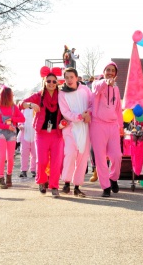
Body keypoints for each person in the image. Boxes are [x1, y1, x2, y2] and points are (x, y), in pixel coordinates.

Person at [22, 67, 64, 197]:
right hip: (42, 134)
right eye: (48, 81)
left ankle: (54, 186)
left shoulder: (61, 96)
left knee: (56, 161)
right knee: (42, 161)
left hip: (57, 134)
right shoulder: (39, 96)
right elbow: (21, 103)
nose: (51, 83)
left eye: (54, 81)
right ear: (44, 82)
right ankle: (41, 181)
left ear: (57, 83)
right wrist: (31, 105)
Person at [90, 62, 123, 197]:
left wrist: (120, 126)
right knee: (100, 158)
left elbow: (118, 108)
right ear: (104, 72)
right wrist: (106, 83)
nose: (110, 72)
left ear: (115, 73)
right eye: (107, 70)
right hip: (98, 124)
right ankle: (105, 186)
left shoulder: (116, 88)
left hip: (113, 125)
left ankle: (113, 178)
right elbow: (97, 88)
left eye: (112, 70)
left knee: (117, 156)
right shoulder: (97, 84)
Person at [58, 67, 92, 197]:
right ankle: (66, 183)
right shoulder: (62, 93)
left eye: (71, 77)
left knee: (82, 157)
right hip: (71, 128)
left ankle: (77, 186)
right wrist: (79, 116)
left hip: (84, 128)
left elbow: (91, 104)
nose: (69, 80)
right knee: (70, 154)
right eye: (66, 77)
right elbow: (65, 112)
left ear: (77, 78)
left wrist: (88, 113)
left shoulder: (85, 89)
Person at [0, 85, 25, 189]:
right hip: (1, 133)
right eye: (11, 95)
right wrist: (6, 126)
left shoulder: (14, 107)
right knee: (2, 157)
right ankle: (1, 179)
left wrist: (13, 118)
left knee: (10, 157)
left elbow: (22, 118)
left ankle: (9, 176)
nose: (13, 96)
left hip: (12, 134)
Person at [17, 98, 36, 179]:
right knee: (24, 153)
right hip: (25, 133)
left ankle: (34, 169)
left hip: (35, 134)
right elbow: (20, 120)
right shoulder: (23, 110)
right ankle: (23, 170)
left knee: (35, 154)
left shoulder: (36, 109)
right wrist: (20, 125)